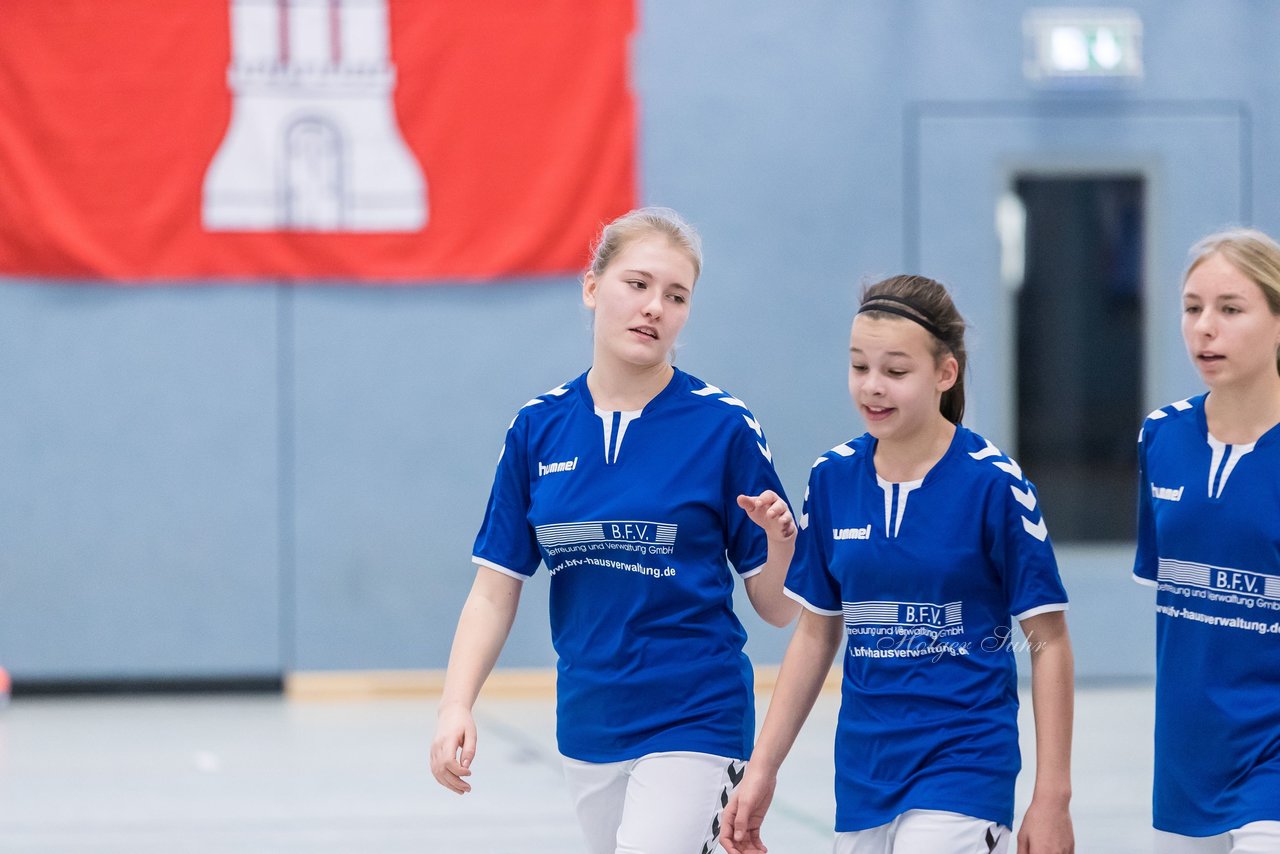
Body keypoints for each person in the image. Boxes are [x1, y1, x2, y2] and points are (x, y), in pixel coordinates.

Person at [429, 206, 800, 854]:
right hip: (589, 720)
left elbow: (775, 608)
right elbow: (494, 590)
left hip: (697, 713)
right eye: (638, 284)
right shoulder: (538, 429)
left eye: (675, 295)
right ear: (593, 286)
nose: (654, 306)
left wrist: (782, 542)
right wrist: (455, 705)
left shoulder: (724, 428)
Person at [722, 275, 1075, 854]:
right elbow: (815, 633)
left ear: (944, 374)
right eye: (860, 367)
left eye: (895, 370)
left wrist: (1051, 796)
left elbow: (1049, 642)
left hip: (965, 767)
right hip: (863, 775)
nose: (872, 387)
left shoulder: (995, 486)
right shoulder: (832, 479)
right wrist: (763, 768)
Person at [1133, 229, 1280, 853]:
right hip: (1188, 762)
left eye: (1231, 308)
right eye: (1193, 308)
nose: (1204, 328)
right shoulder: (1160, 438)